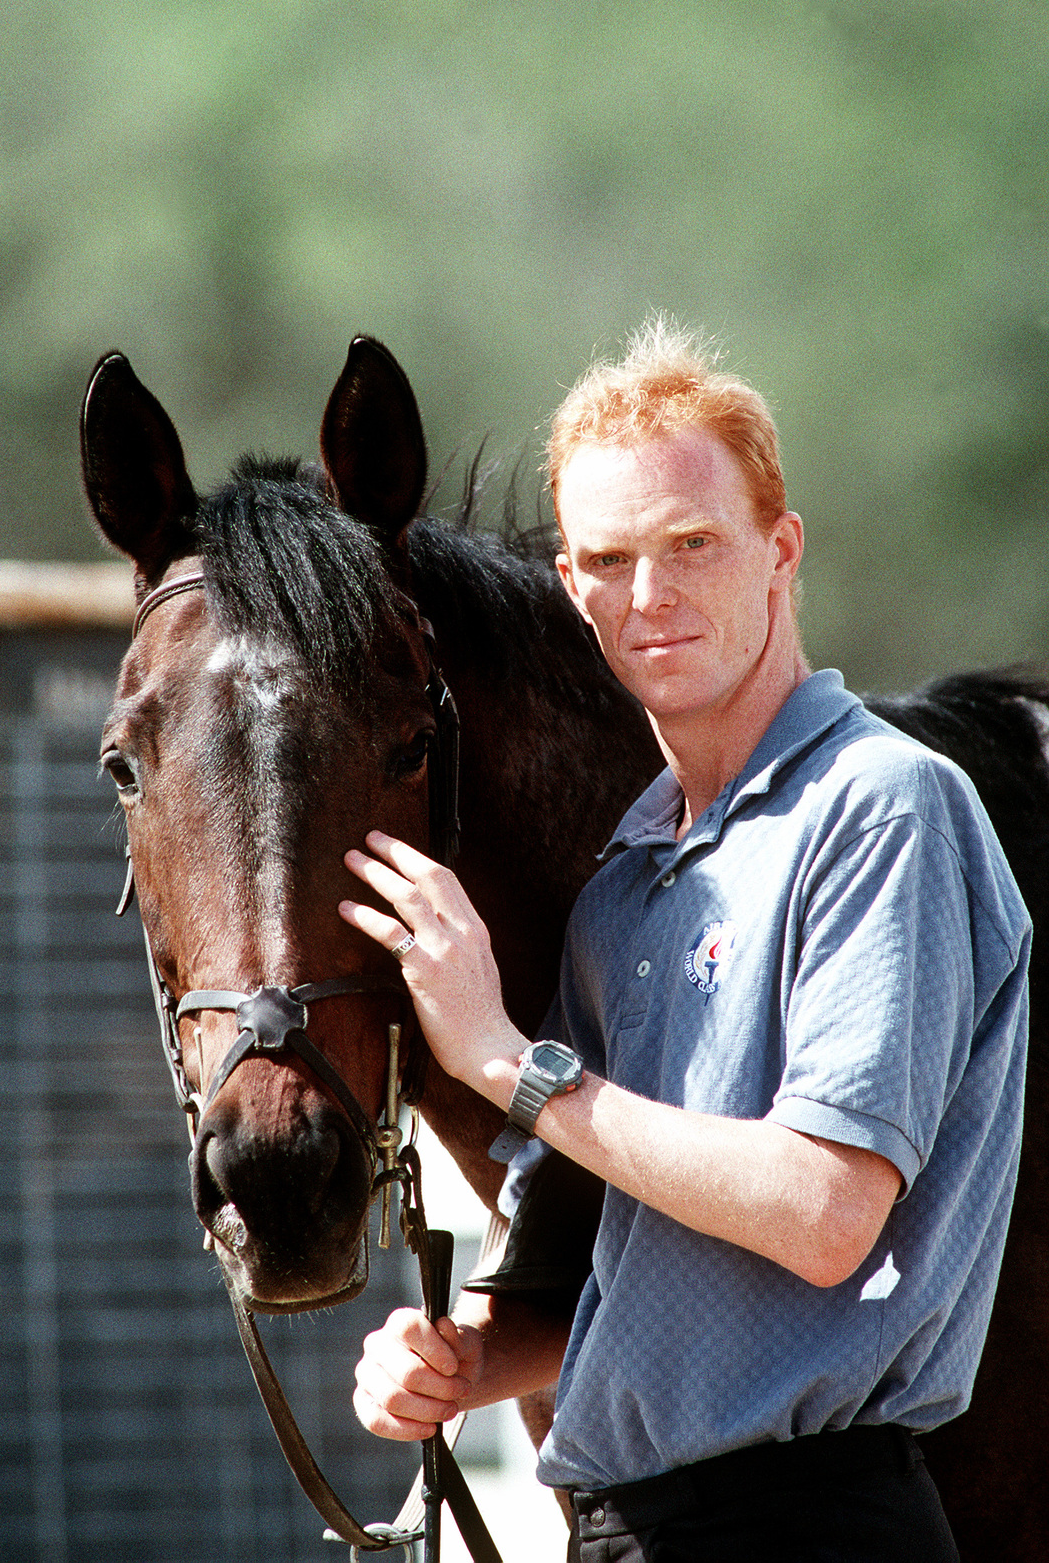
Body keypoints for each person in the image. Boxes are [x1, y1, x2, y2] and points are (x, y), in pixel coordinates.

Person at [339, 319, 1029, 1561]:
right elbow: (605, 1284)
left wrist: (507, 1061)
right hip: (623, 1530)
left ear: (780, 551)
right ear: (570, 588)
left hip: (813, 1524)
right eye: (608, 558)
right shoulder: (624, 886)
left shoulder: (885, 806)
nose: (648, 596)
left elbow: (822, 1213)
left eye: (691, 545)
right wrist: (459, 1364)